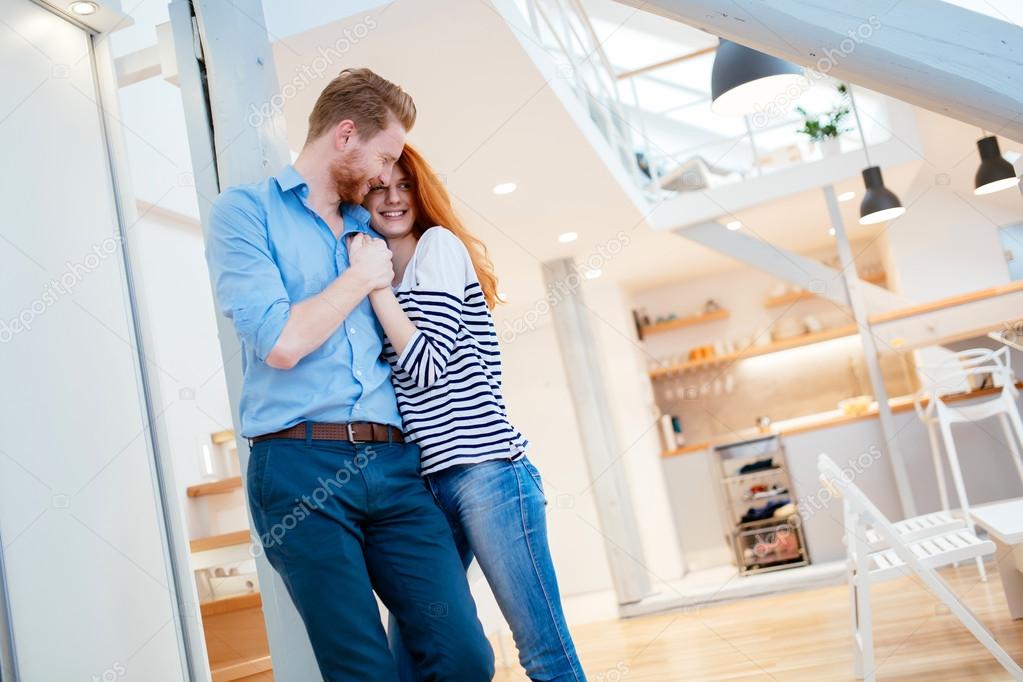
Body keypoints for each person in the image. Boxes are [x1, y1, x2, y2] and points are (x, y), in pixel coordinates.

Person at [205, 69, 494, 682]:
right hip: (299, 468)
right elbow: (281, 342)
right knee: (363, 670)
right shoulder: (246, 213)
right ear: (345, 135)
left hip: (394, 467)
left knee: (463, 656)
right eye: (383, 155)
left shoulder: (373, 228)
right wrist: (361, 278)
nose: (384, 175)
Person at [355, 144, 587, 681]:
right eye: (377, 187)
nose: (393, 198)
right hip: (422, 485)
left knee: (542, 651)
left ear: (420, 191)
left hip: (487, 472)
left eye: (404, 185)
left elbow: (429, 364)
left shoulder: (438, 247)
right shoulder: (372, 272)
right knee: (414, 652)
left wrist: (372, 284)